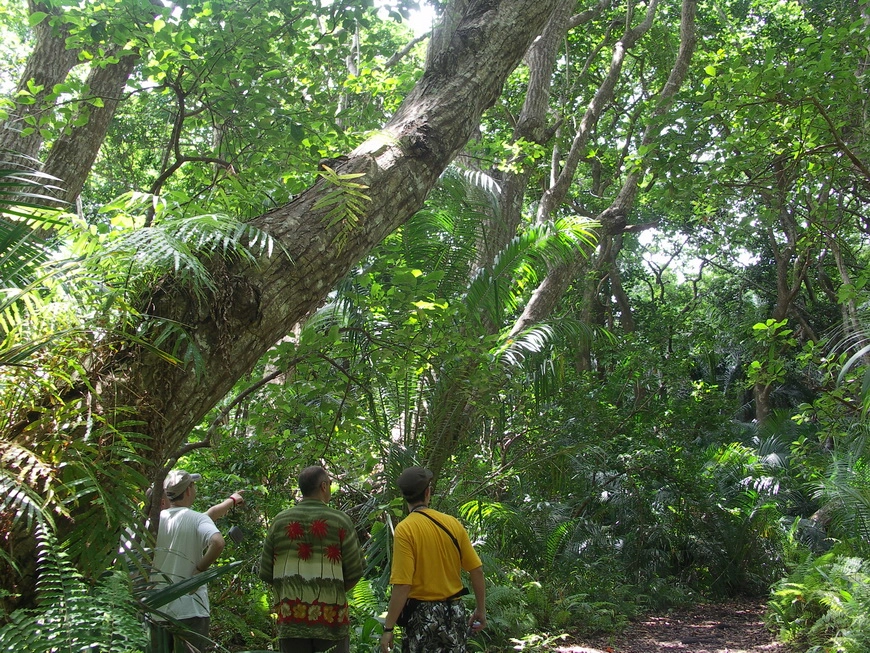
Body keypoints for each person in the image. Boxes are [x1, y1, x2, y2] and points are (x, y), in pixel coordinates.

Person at [259, 466, 365, 653]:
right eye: (330, 484)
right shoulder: (340, 520)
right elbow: (355, 570)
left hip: (291, 619)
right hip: (331, 619)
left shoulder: (279, 522)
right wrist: (332, 590)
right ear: (323, 486)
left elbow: (266, 572)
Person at [380, 466, 486, 653]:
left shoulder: (405, 529)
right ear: (428, 492)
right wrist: (480, 610)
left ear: (404, 496)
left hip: (424, 617)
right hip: (455, 612)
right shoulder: (452, 523)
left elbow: (403, 584)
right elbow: (476, 570)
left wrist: (388, 628)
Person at [150, 469, 227, 653]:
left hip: (155, 609)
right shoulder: (197, 519)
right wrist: (200, 570)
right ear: (188, 491)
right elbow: (217, 542)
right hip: (191, 610)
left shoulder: (153, 521)